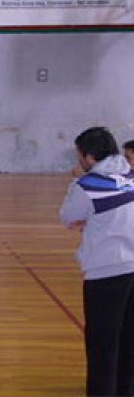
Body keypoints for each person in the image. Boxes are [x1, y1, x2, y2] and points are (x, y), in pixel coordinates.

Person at [59, 127, 134, 396]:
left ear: (89, 158)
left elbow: (68, 216)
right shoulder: (130, 175)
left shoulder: (88, 185)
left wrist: (77, 182)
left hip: (106, 273)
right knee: (128, 341)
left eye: (79, 155)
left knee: (102, 344)